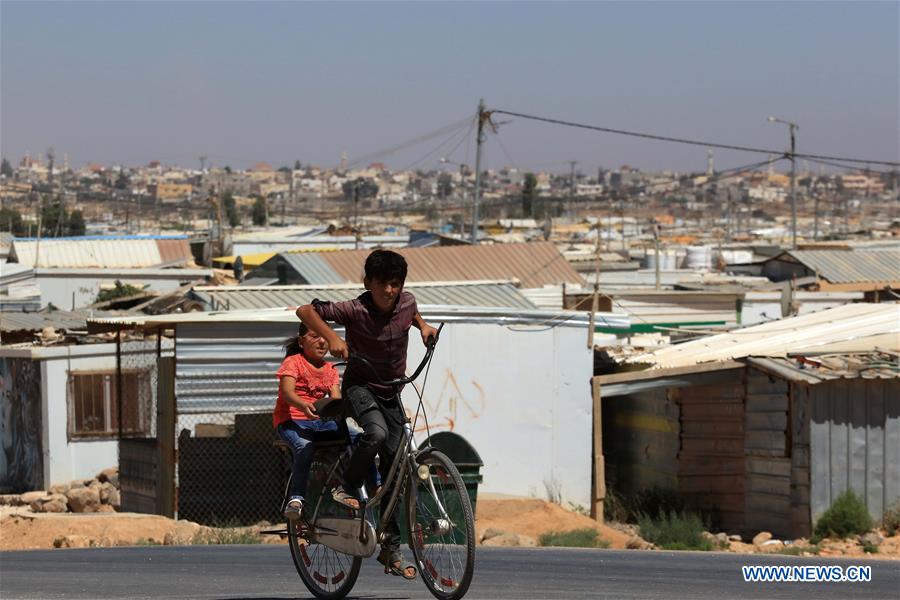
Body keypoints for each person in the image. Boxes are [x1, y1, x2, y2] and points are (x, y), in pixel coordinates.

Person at [297, 249, 438, 580]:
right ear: (367, 283)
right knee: (375, 433)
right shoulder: (354, 309)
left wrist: (423, 326)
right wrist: (332, 337)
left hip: (392, 390)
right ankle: (345, 486)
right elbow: (306, 311)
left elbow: (412, 312)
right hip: (360, 388)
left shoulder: (407, 302)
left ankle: (391, 548)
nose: (389, 291)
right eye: (382, 284)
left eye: (395, 284)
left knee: (395, 469)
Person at [273, 323, 341, 521]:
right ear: (301, 342)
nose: (322, 342)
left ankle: (369, 486)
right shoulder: (293, 362)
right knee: (305, 446)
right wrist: (303, 405)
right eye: (314, 336)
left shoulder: (331, 369)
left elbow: (335, 400)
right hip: (291, 421)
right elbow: (287, 393)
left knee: (358, 438)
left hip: (320, 422)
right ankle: (296, 499)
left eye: (325, 337)